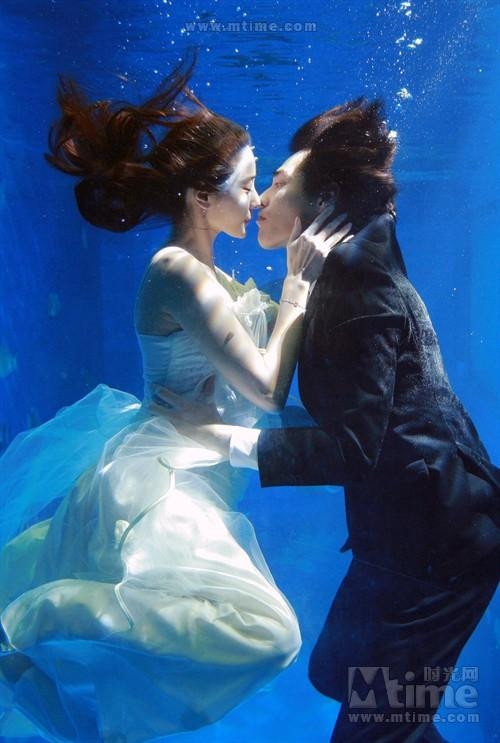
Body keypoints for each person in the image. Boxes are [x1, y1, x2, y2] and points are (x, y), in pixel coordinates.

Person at [0, 55, 353, 742]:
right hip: (159, 478)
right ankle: (39, 613)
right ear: (200, 196)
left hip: (199, 473)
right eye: (247, 185)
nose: (257, 199)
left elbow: (265, 392)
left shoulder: (212, 275)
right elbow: (265, 387)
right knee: (269, 633)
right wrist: (297, 288)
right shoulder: (176, 270)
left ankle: (35, 636)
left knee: (128, 677)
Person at [154, 97, 500, 742]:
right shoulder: (346, 263)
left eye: (278, 181)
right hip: (403, 527)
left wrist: (216, 437)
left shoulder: (356, 275)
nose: (260, 198)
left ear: (325, 199)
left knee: (376, 723)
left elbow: (352, 449)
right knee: (340, 675)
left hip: (443, 544)